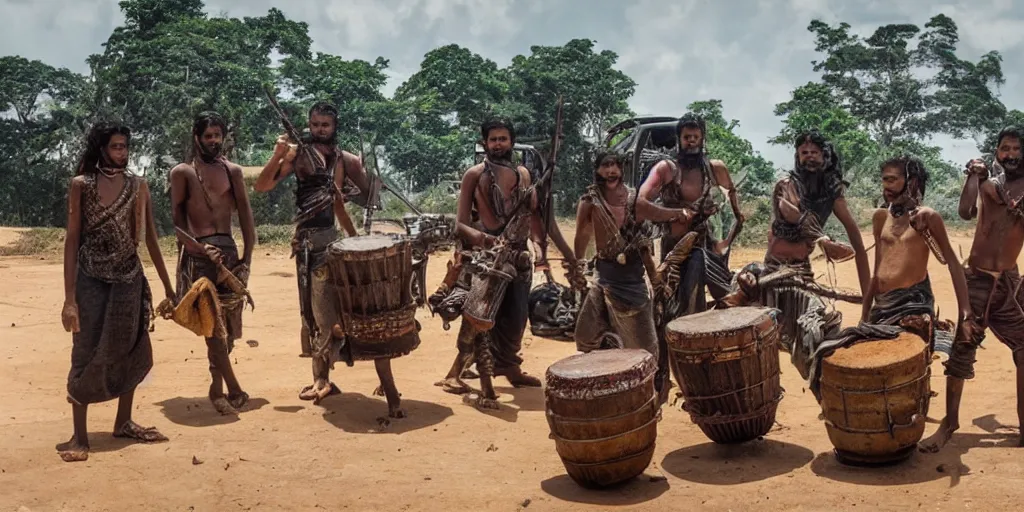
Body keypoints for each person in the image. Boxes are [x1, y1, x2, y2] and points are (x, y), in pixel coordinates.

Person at [57, 121, 177, 462]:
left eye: (124, 146)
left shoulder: (139, 186)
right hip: (91, 281)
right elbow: (72, 240)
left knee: (132, 349)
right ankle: (79, 437)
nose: (121, 152)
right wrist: (69, 300)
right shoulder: (82, 185)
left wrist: (169, 288)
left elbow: (151, 238)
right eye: (115, 147)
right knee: (85, 352)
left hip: (129, 279)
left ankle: (123, 421)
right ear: (101, 148)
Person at [436, 117, 576, 408]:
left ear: (512, 141)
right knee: (481, 320)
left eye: (503, 138)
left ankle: (509, 367)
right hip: (487, 260)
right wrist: (486, 241)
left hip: (518, 257)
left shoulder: (525, 176)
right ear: (484, 143)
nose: (498, 144)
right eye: (493, 139)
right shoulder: (473, 175)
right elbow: (460, 225)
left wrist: (547, 251)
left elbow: (539, 219)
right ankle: (460, 375)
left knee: (516, 319)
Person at [806, 156, 972, 399]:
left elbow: (953, 264)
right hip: (882, 307)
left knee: (900, 373)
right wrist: (865, 314)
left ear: (912, 181)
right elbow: (877, 271)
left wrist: (965, 311)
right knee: (831, 353)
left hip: (911, 306)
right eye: (884, 180)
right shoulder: (881, 217)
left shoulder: (928, 218)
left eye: (892, 180)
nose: (886, 186)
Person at [254, 102, 366, 405]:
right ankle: (321, 377)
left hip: (331, 242)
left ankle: (324, 375)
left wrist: (355, 241)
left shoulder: (340, 160)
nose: (319, 130)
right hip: (305, 243)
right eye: (315, 124)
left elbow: (339, 205)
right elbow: (262, 186)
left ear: (335, 126)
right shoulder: (297, 155)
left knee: (327, 311)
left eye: (325, 125)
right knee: (312, 313)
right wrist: (278, 155)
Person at [922, 126, 1024, 451]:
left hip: (1009, 282)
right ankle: (948, 424)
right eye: (1004, 148)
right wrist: (973, 176)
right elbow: (965, 212)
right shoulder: (989, 182)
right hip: (977, 279)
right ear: (996, 152)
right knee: (963, 346)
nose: (1009, 154)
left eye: (1015, 149)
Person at [635, 112, 743, 396]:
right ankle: (676, 376)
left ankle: (712, 373)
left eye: (696, 136)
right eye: (687, 137)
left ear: (702, 138)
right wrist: (675, 214)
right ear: (679, 139)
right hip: (674, 252)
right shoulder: (666, 169)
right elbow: (640, 203)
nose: (692, 141)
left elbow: (734, 200)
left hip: (707, 250)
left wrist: (727, 240)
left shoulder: (714, 168)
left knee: (727, 302)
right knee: (673, 312)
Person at [761, 130, 871, 377]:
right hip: (776, 271)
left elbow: (854, 235)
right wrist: (822, 240)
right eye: (803, 153)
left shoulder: (831, 191)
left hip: (802, 270)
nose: (809, 157)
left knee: (816, 335)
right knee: (769, 339)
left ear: (826, 156)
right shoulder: (787, 185)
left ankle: (828, 392)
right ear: (797, 157)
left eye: (814, 153)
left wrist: (868, 298)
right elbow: (790, 212)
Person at [169, 111, 255, 415]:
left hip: (229, 254)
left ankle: (216, 388)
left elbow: (245, 215)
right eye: (208, 136)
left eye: (218, 135)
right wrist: (201, 249)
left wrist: (248, 255)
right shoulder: (183, 173)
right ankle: (233, 387)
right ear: (197, 137)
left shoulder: (233, 172)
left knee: (228, 329)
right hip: (199, 258)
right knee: (212, 324)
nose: (214, 141)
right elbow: (177, 224)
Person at [569, 150, 662, 393]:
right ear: (597, 170)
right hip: (604, 277)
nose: (610, 171)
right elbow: (582, 235)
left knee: (645, 347)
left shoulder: (633, 200)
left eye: (614, 166)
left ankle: (648, 388)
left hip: (632, 279)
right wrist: (578, 266)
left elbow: (644, 242)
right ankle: (607, 375)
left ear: (621, 170)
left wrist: (655, 278)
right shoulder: (590, 201)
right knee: (587, 334)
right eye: (605, 166)